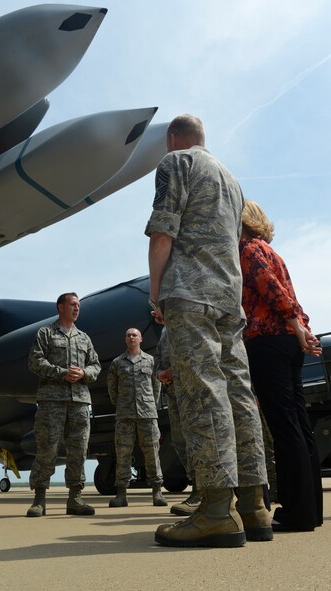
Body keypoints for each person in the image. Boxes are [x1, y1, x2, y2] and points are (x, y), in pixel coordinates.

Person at [145, 114, 272, 547]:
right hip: (228, 299)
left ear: (173, 138)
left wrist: (157, 292)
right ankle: (254, 508)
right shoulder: (233, 181)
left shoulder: (177, 162)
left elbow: (163, 231)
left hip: (191, 294)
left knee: (201, 391)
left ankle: (216, 511)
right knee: (238, 395)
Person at [240, 199, 323, 531]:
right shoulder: (271, 252)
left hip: (267, 341)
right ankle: (309, 510)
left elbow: (271, 290)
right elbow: (289, 294)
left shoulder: (247, 249)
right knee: (299, 424)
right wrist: (302, 328)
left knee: (284, 426)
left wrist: (297, 325)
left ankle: (295, 513)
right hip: (287, 341)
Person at [26, 292, 101, 517]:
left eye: (79, 305)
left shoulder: (84, 338)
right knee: (47, 447)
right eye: (73, 304)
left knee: (79, 450)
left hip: (79, 401)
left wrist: (84, 373)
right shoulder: (46, 333)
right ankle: (39, 500)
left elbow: (95, 366)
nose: (77, 308)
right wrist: (61, 373)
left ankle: (75, 498)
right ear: (60, 307)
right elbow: (35, 361)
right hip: (52, 401)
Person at [107, 327, 168, 508]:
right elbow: (112, 389)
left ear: (141, 339)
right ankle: (121, 494)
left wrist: (150, 405)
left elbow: (156, 388)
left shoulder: (150, 361)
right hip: (124, 415)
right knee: (123, 453)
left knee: (152, 453)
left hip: (147, 414)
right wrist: (122, 405)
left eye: (135, 335)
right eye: (128, 335)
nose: (131, 337)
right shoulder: (117, 363)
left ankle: (157, 492)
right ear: (125, 340)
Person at [154, 325, 201, 516]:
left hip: (191, 392)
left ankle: (202, 491)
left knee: (196, 441)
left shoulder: (188, 320)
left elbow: (199, 350)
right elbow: (158, 357)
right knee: (180, 442)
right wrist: (159, 373)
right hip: (172, 394)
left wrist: (176, 369)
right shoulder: (165, 331)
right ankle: (197, 487)